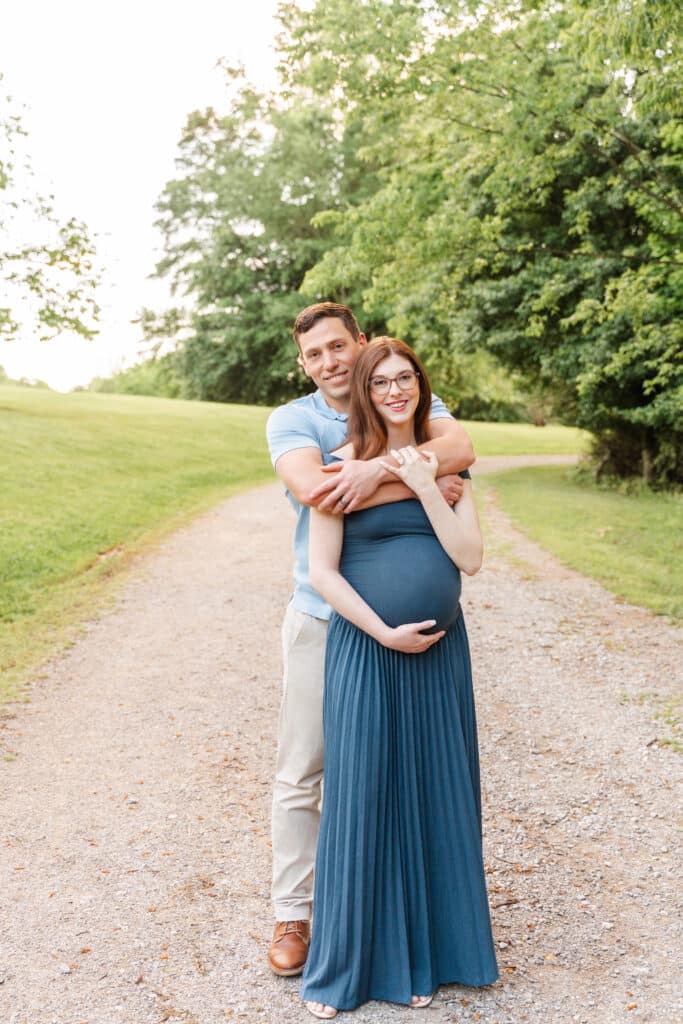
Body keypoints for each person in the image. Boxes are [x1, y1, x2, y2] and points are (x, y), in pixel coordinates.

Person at [266, 303, 475, 977]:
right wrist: (413, 479)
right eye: (314, 354)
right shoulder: (294, 420)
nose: (329, 361)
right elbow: (313, 489)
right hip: (321, 620)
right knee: (305, 769)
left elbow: (461, 453)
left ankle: (397, 913)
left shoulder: (401, 389)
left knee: (391, 774)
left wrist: (369, 473)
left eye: (337, 346)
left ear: (358, 343)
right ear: (302, 365)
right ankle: (292, 915)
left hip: (410, 644)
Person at [300, 337, 498, 1018]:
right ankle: (349, 969)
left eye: (404, 377)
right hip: (366, 649)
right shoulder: (338, 470)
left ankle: (436, 957)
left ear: (420, 383)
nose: (393, 390)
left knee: (434, 793)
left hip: (441, 655)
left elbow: (469, 558)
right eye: (380, 380)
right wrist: (381, 630)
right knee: (363, 797)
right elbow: (322, 572)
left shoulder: (445, 468)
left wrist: (420, 484)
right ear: (363, 389)